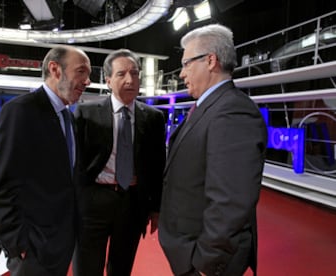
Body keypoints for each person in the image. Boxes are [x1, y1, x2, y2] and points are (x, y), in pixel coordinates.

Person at [158, 24, 268, 276]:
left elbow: (230, 201)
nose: (181, 74)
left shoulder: (232, 112)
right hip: (189, 250)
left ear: (210, 60)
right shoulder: (211, 107)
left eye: (186, 64)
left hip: (205, 261)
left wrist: (207, 265)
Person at [0, 45, 91, 276]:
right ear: (55, 69)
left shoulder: (68, 117)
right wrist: (17, 244)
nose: (88, 81)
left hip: (61, 243)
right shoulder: (20, 111)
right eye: (81, 71)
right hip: (33, 249)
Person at [72, 48, 166, 276]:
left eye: (135, 73)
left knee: (121, 268)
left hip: (132, 203)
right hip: (93, 201)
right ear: (108, 80)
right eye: (122, 74)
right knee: (86, 268)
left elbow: (157, 167)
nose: (130, 79)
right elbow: (75, 163)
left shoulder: (154, 118)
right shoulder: (85, 113)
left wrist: (155, 209)